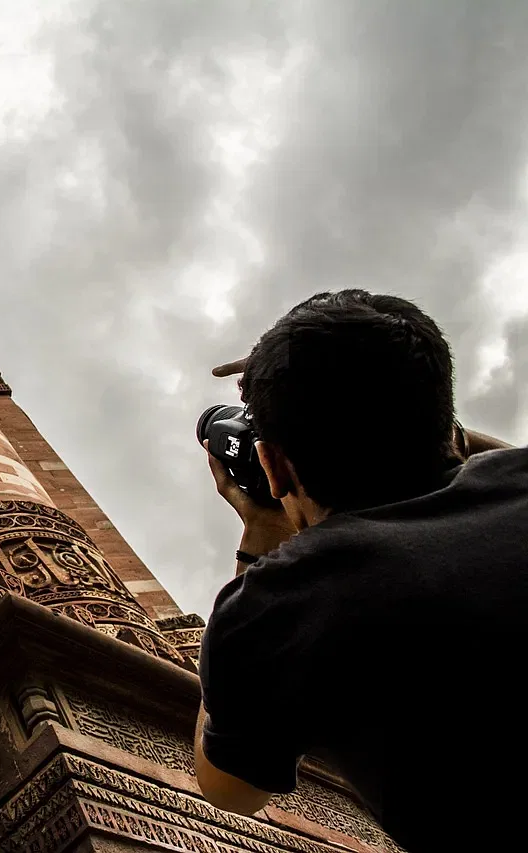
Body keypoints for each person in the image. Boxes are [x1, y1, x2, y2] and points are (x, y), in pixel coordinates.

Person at [193, 289, 524, 851]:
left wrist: (259, 542)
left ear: (271, 464)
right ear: (446, 422)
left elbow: (230, 789)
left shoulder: (284, 604)